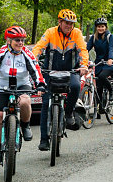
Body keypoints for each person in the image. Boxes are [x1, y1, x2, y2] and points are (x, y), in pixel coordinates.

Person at [0, 26, 46, 164]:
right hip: (3, 86)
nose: (20, 43)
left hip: (22, 85)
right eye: (17, 40)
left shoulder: (27, 53)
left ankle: (25, 125)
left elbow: (36, 69)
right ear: (9, 40)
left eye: (22, 40)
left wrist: (40, 84)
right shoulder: (1, 53)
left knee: (25, 102)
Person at [33, 9, 88, 151]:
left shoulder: (77, 34)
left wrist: (83, 65)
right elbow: (39, 47)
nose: (69, 26)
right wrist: (33, 60)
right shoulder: (50, 32)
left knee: (76, 86)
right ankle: (44, 139)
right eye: (66, 23)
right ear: (60, 22)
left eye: (71, 24)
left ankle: (69, 113)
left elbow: (83, 50)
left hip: (71, 70)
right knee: (46, 103)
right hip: (50, 71)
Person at [87, 17, 113, 115]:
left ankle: (111, 90)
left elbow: (112, 48)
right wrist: (81, 58)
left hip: (109, 62)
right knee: (98, 86)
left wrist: (111, 58)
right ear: (96, 28)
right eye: (99, 27)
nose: (101, 28)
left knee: (102, 76)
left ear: (105, 27)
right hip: (99, 62)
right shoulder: (94, 38)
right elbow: (86, 49)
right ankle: (100, 107)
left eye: (102, 26)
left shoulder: (109, 36)